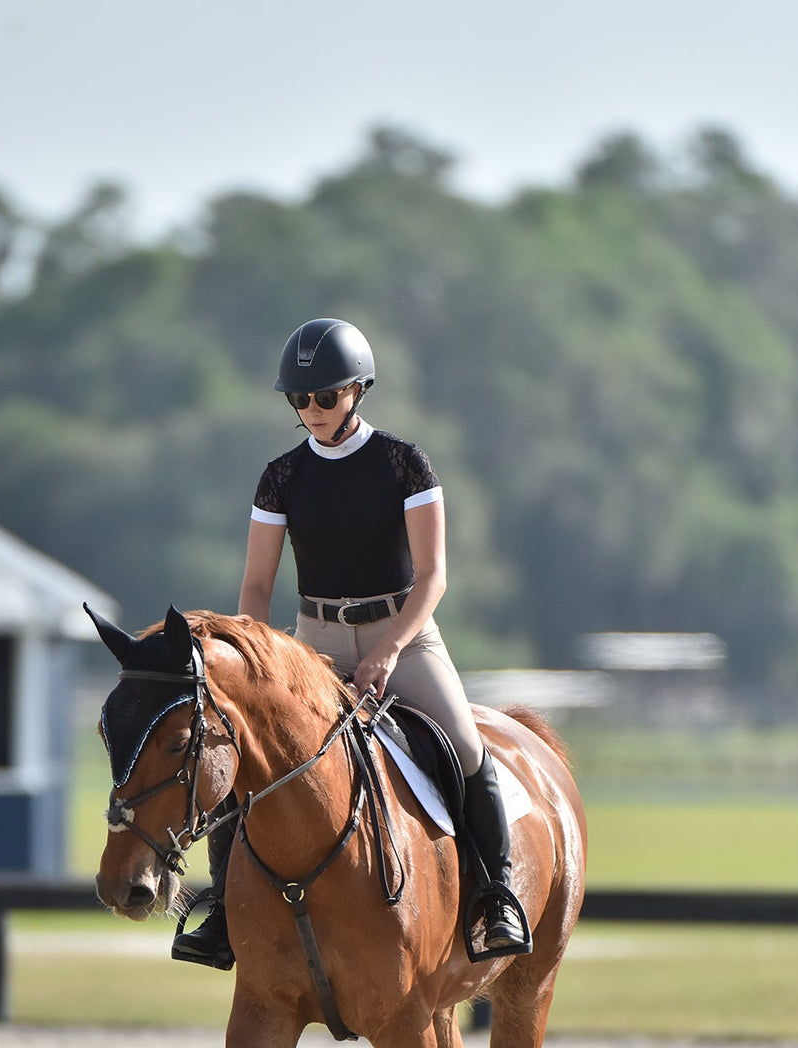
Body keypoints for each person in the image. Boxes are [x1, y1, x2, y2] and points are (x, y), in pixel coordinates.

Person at [172, 316, 531, 971]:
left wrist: (388, 650)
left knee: (465, 746)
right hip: (314, 640)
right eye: (299, 398)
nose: (311, 409)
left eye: (325, 396)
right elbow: (257, 585)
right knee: (248, 755)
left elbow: (433, 576)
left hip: (405, 634)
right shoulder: (281, 476)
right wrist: (255, 662)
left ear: (358, 390)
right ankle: (222, 910)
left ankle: (496, 895)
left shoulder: (403, 463)